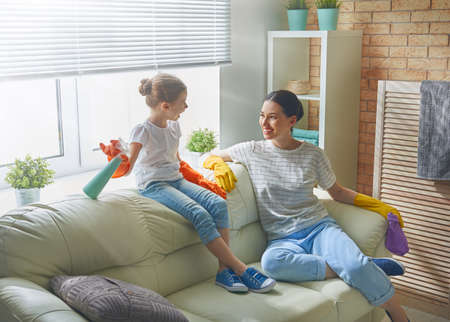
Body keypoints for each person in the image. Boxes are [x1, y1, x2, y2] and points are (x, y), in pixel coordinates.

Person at [204, 90, 409, 322]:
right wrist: (216, 165)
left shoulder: (313, 155)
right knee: (271, 264)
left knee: (353, 267)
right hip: (282, 239)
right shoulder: (251, 150)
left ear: (292, 121)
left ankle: (400, 316)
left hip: (320, 228)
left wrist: (379, 207)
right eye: (262, 115)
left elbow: (337, 192)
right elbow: (212, 156)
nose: (264, 123)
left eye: (273, 117)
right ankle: (361, 266)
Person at [125, 73, 276, 294]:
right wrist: (116, 156)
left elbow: (175, 160)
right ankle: (240, 268)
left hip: (175, 179)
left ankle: (223, 271)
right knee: (199, 213)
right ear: (165, 106)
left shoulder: (174, 126)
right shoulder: (142, 130)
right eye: (182, 103)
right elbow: (127, 166)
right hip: (154, 185)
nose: (186, 106)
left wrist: (195, 177)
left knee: (218, 204)